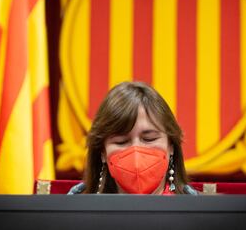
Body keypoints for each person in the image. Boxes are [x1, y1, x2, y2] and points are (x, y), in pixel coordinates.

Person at [68, 81, 198, 195]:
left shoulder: (199, 212)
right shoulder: (73, 213)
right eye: (121, 142)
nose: (136, 151)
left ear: (171, 146)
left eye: (149, 139)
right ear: (102, 152)